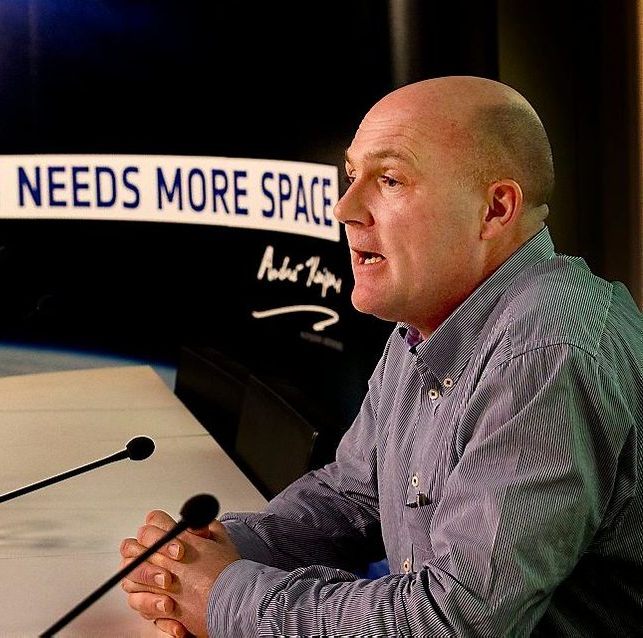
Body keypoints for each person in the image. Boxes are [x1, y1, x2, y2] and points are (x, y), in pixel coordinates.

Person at [119, 76, 643, 637]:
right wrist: (217, 551)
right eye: (351, 177)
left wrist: (227, 597)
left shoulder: (548, 353)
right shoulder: (430, 318)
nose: (345, 208)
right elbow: (351, 495)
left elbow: (450, 621)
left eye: (389, 179)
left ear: (495, 209)